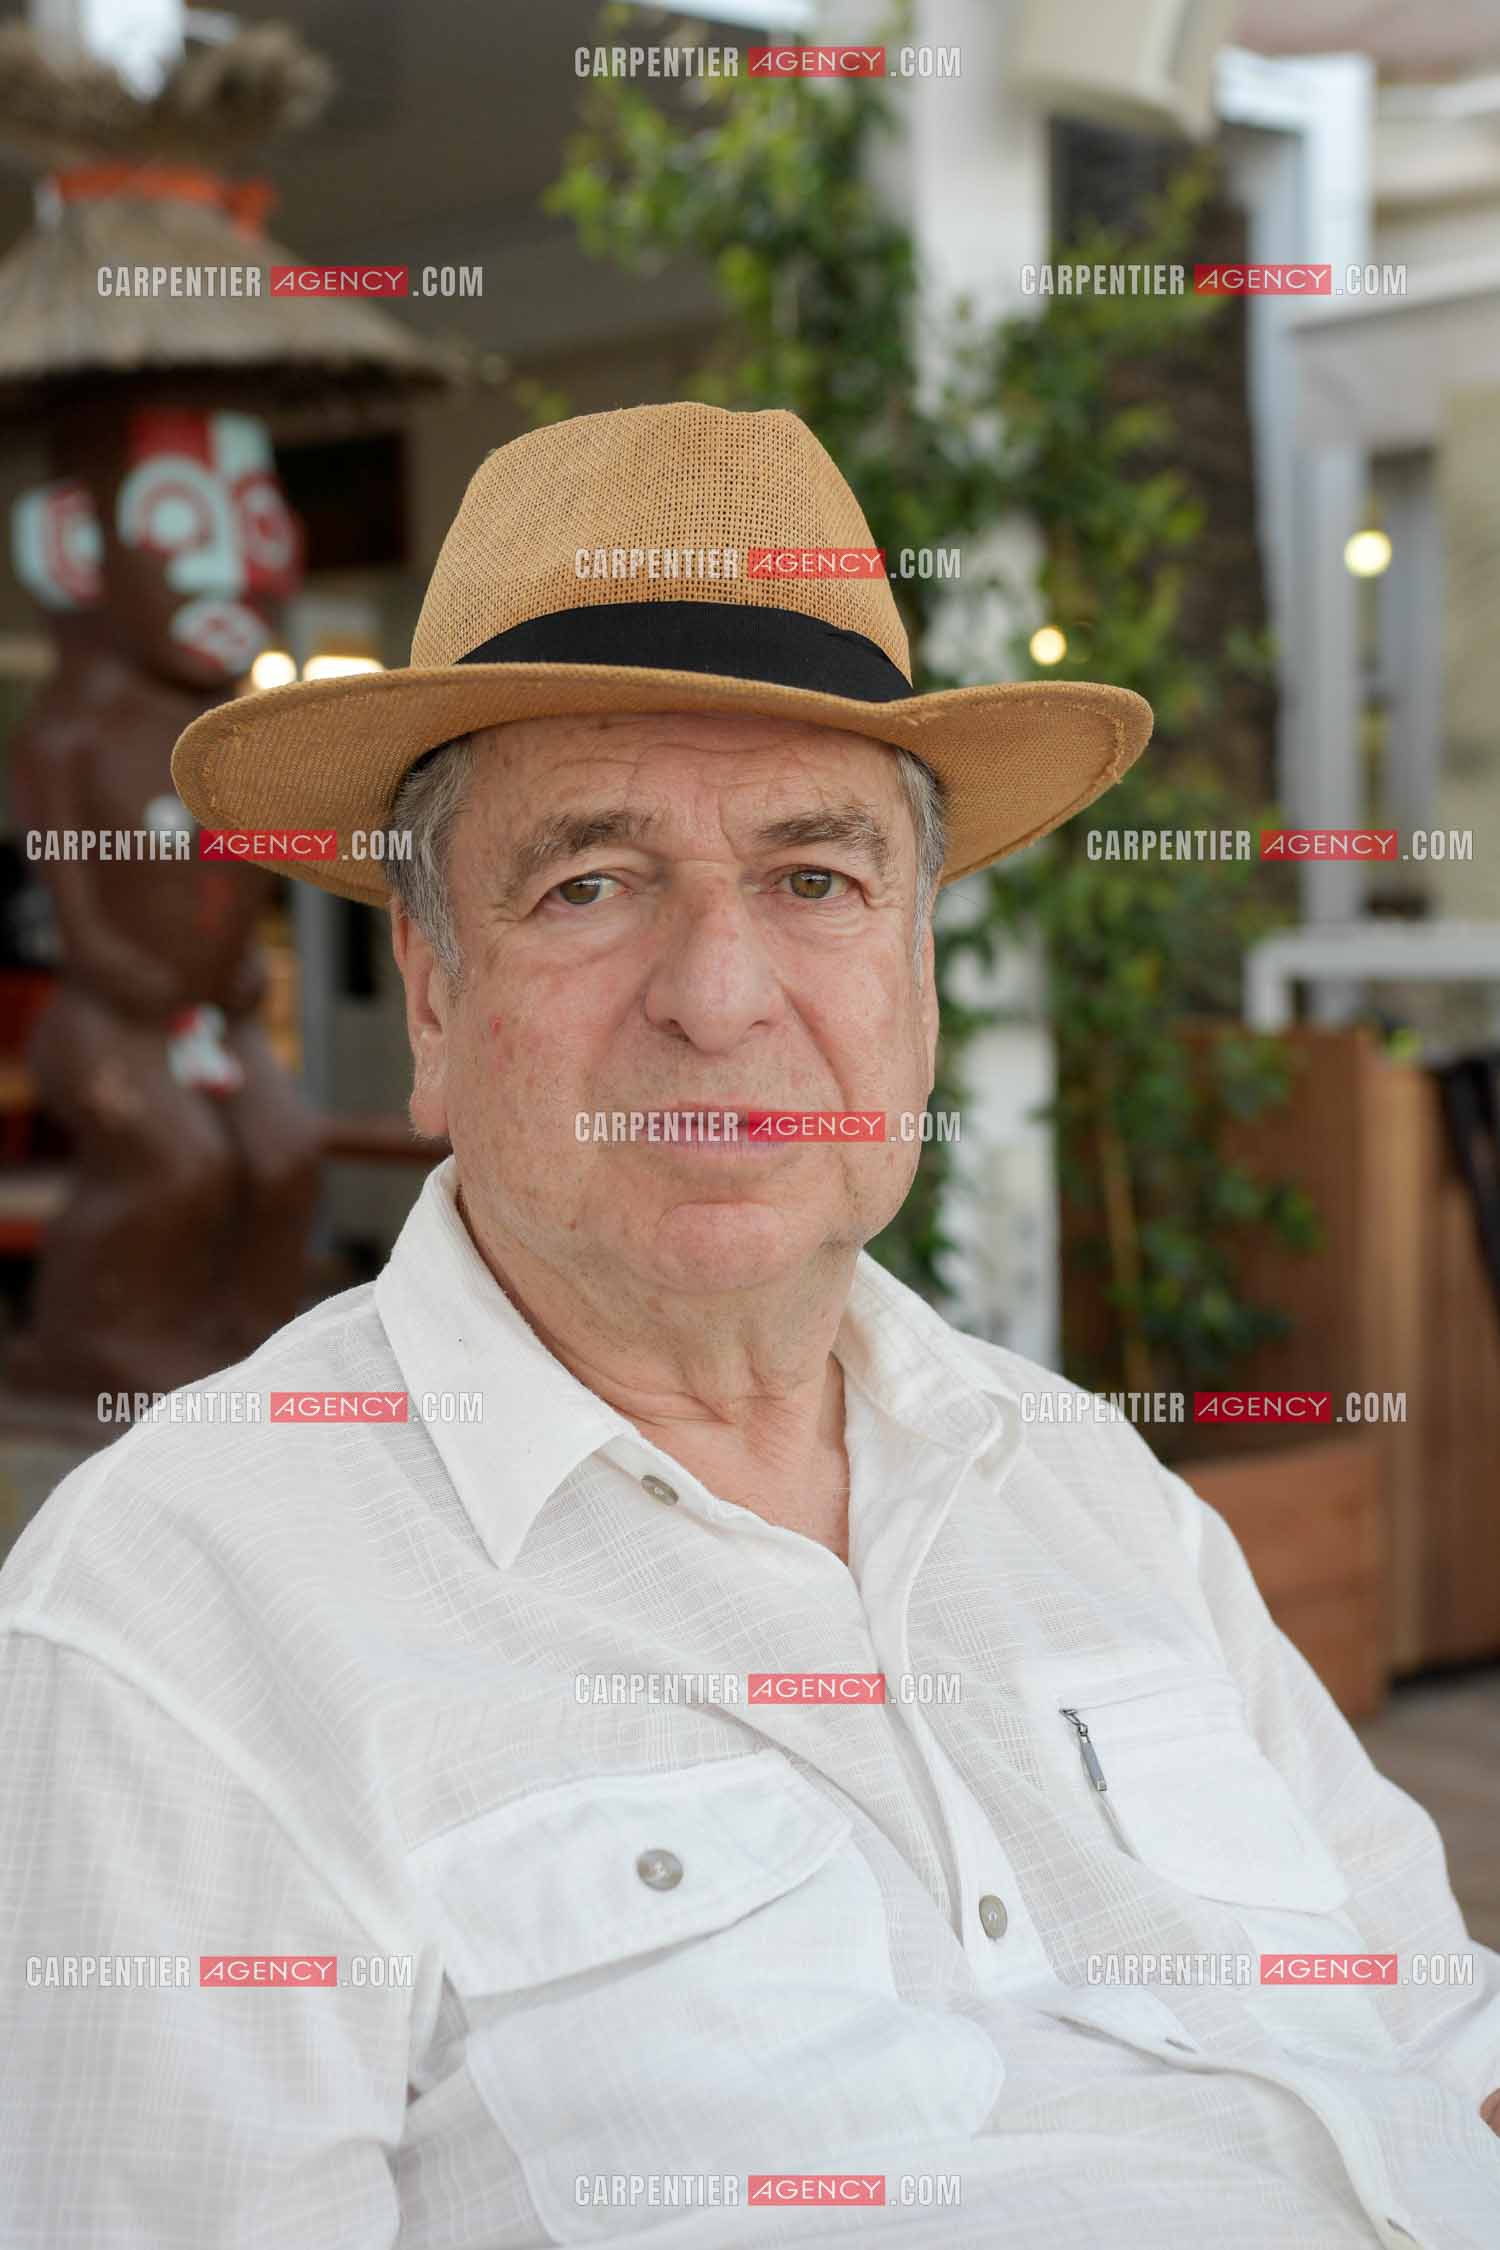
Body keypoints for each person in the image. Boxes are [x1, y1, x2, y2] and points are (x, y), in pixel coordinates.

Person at [2, 401, 1496, 2250]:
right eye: (592, 884)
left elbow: (1440, 2025)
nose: (720, 997)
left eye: (815, 878)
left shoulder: (1084, 1483)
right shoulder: (182, 1616)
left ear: (918, 984)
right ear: (435, 994)